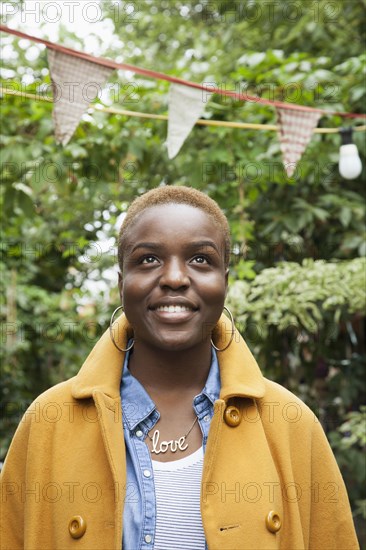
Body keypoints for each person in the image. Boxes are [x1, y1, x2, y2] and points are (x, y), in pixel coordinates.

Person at [1, 185, 359, 550]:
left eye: (201, 260)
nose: (174, 277)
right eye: (148, 260)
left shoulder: (290, 424)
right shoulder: (49, 421)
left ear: (225, 281)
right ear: (122, 282)